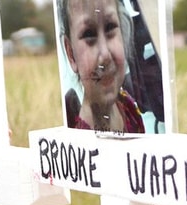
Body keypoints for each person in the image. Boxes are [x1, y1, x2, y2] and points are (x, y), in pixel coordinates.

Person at [59, 0, 145, 133]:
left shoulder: (129, 109)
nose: (105, 55)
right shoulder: (75, 138)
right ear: (71, 54)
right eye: (88, 34)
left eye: (110, 27)